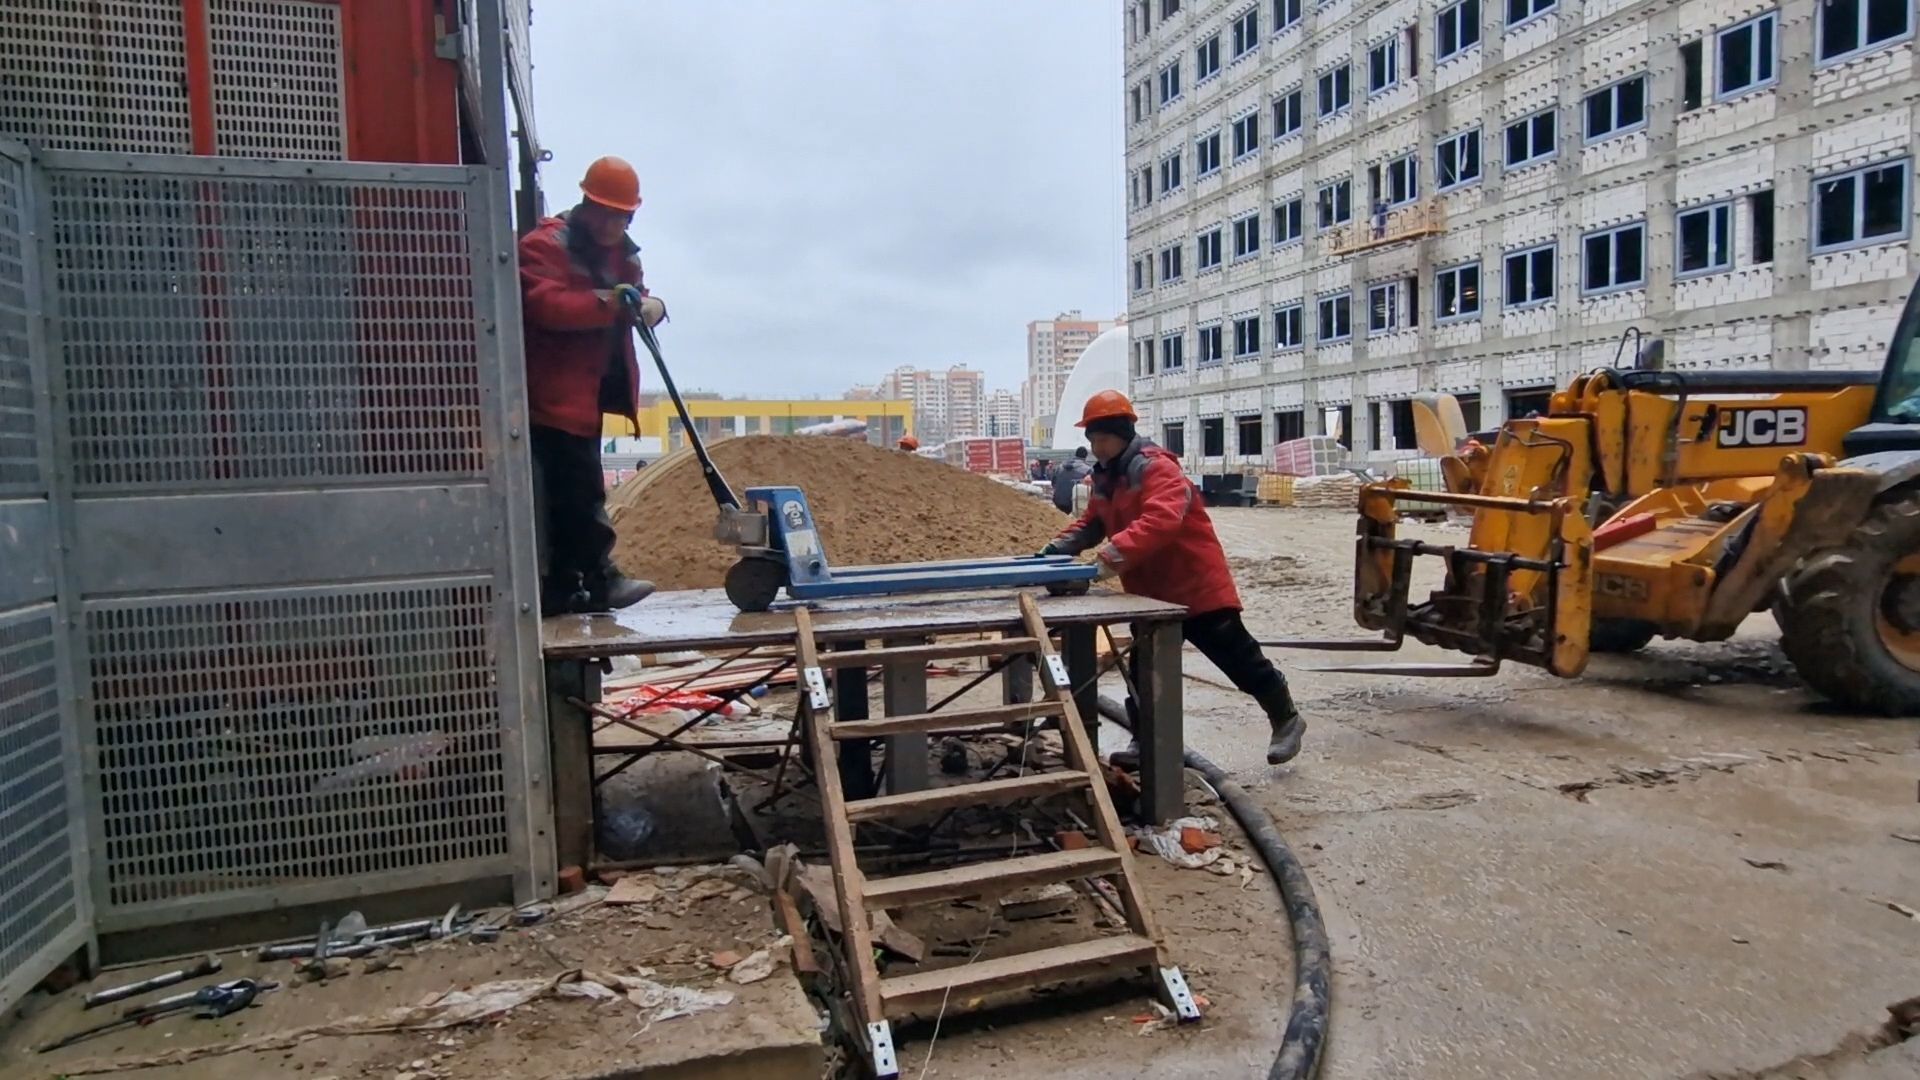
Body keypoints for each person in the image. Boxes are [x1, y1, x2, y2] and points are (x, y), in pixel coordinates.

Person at [1039, 390, 1307, 765]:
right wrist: (1057, 549)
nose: (1096, 447)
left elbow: (1160, 520)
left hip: (1195, 585)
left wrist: (1107, 561)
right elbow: (1094, 522)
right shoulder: (1107, 478)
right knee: (1144, 672)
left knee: (1238, 658)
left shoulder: (1158, 469)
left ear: (1121, 434)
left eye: (1101, 439)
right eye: (1093, 440)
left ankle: (1286, 717)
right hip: (1149, 594)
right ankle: (1145, 742)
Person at [520, 155, 667, 615]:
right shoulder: (546, 245)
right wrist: (610, 304)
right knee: (579, 493)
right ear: (586, 202)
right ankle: (601, 580)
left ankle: (566, 587)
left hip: (588, 395)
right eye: (604, 211)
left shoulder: (623, 254)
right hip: (552, 395)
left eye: (620, 214)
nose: (611, 222)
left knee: (573, 494)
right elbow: (544, 304)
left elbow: (634, 295)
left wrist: (648, 304)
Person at [1050, 446, 1092, 514]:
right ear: (1085, 457)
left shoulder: (1060, 467)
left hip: (1058, 502)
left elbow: (1053, 483)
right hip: (1074, 505)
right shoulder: (1088, 470)